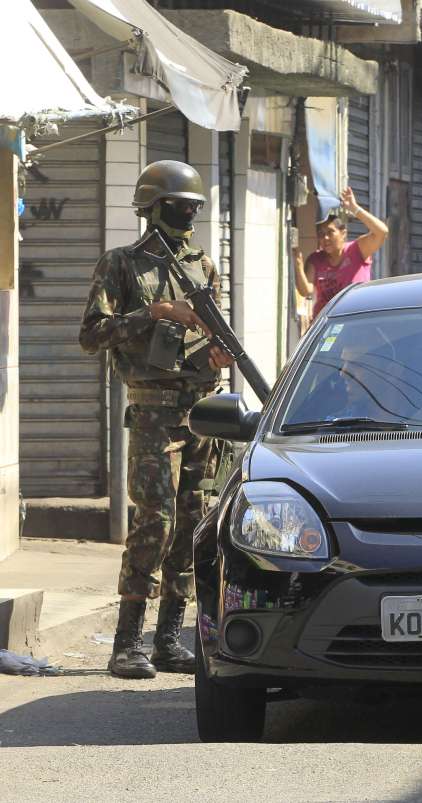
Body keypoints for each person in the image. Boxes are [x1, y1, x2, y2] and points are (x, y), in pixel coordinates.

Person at [79, 160, 236, 679]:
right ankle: (127, 642)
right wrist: (155, 313)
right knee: (157, 522)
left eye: (194, 207)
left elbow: (215, 338)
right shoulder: (122, 265)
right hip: (152, 412)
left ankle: (170, 637)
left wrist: (217, 354)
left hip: (202, 416)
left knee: (193, 525)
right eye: (179, 206)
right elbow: (92, 335)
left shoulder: (203, 266)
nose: (188, 214)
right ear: (153, 208)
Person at [294, 186, 389, 320]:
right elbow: (306, 290)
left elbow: (382, 232)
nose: (325, 238)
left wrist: (354, 208)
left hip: (356, 321)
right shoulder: (316, 259)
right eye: (321, 234)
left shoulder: (357, 250)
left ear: (343, 233)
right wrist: (298, 264)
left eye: (330, 232)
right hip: (327, 325)